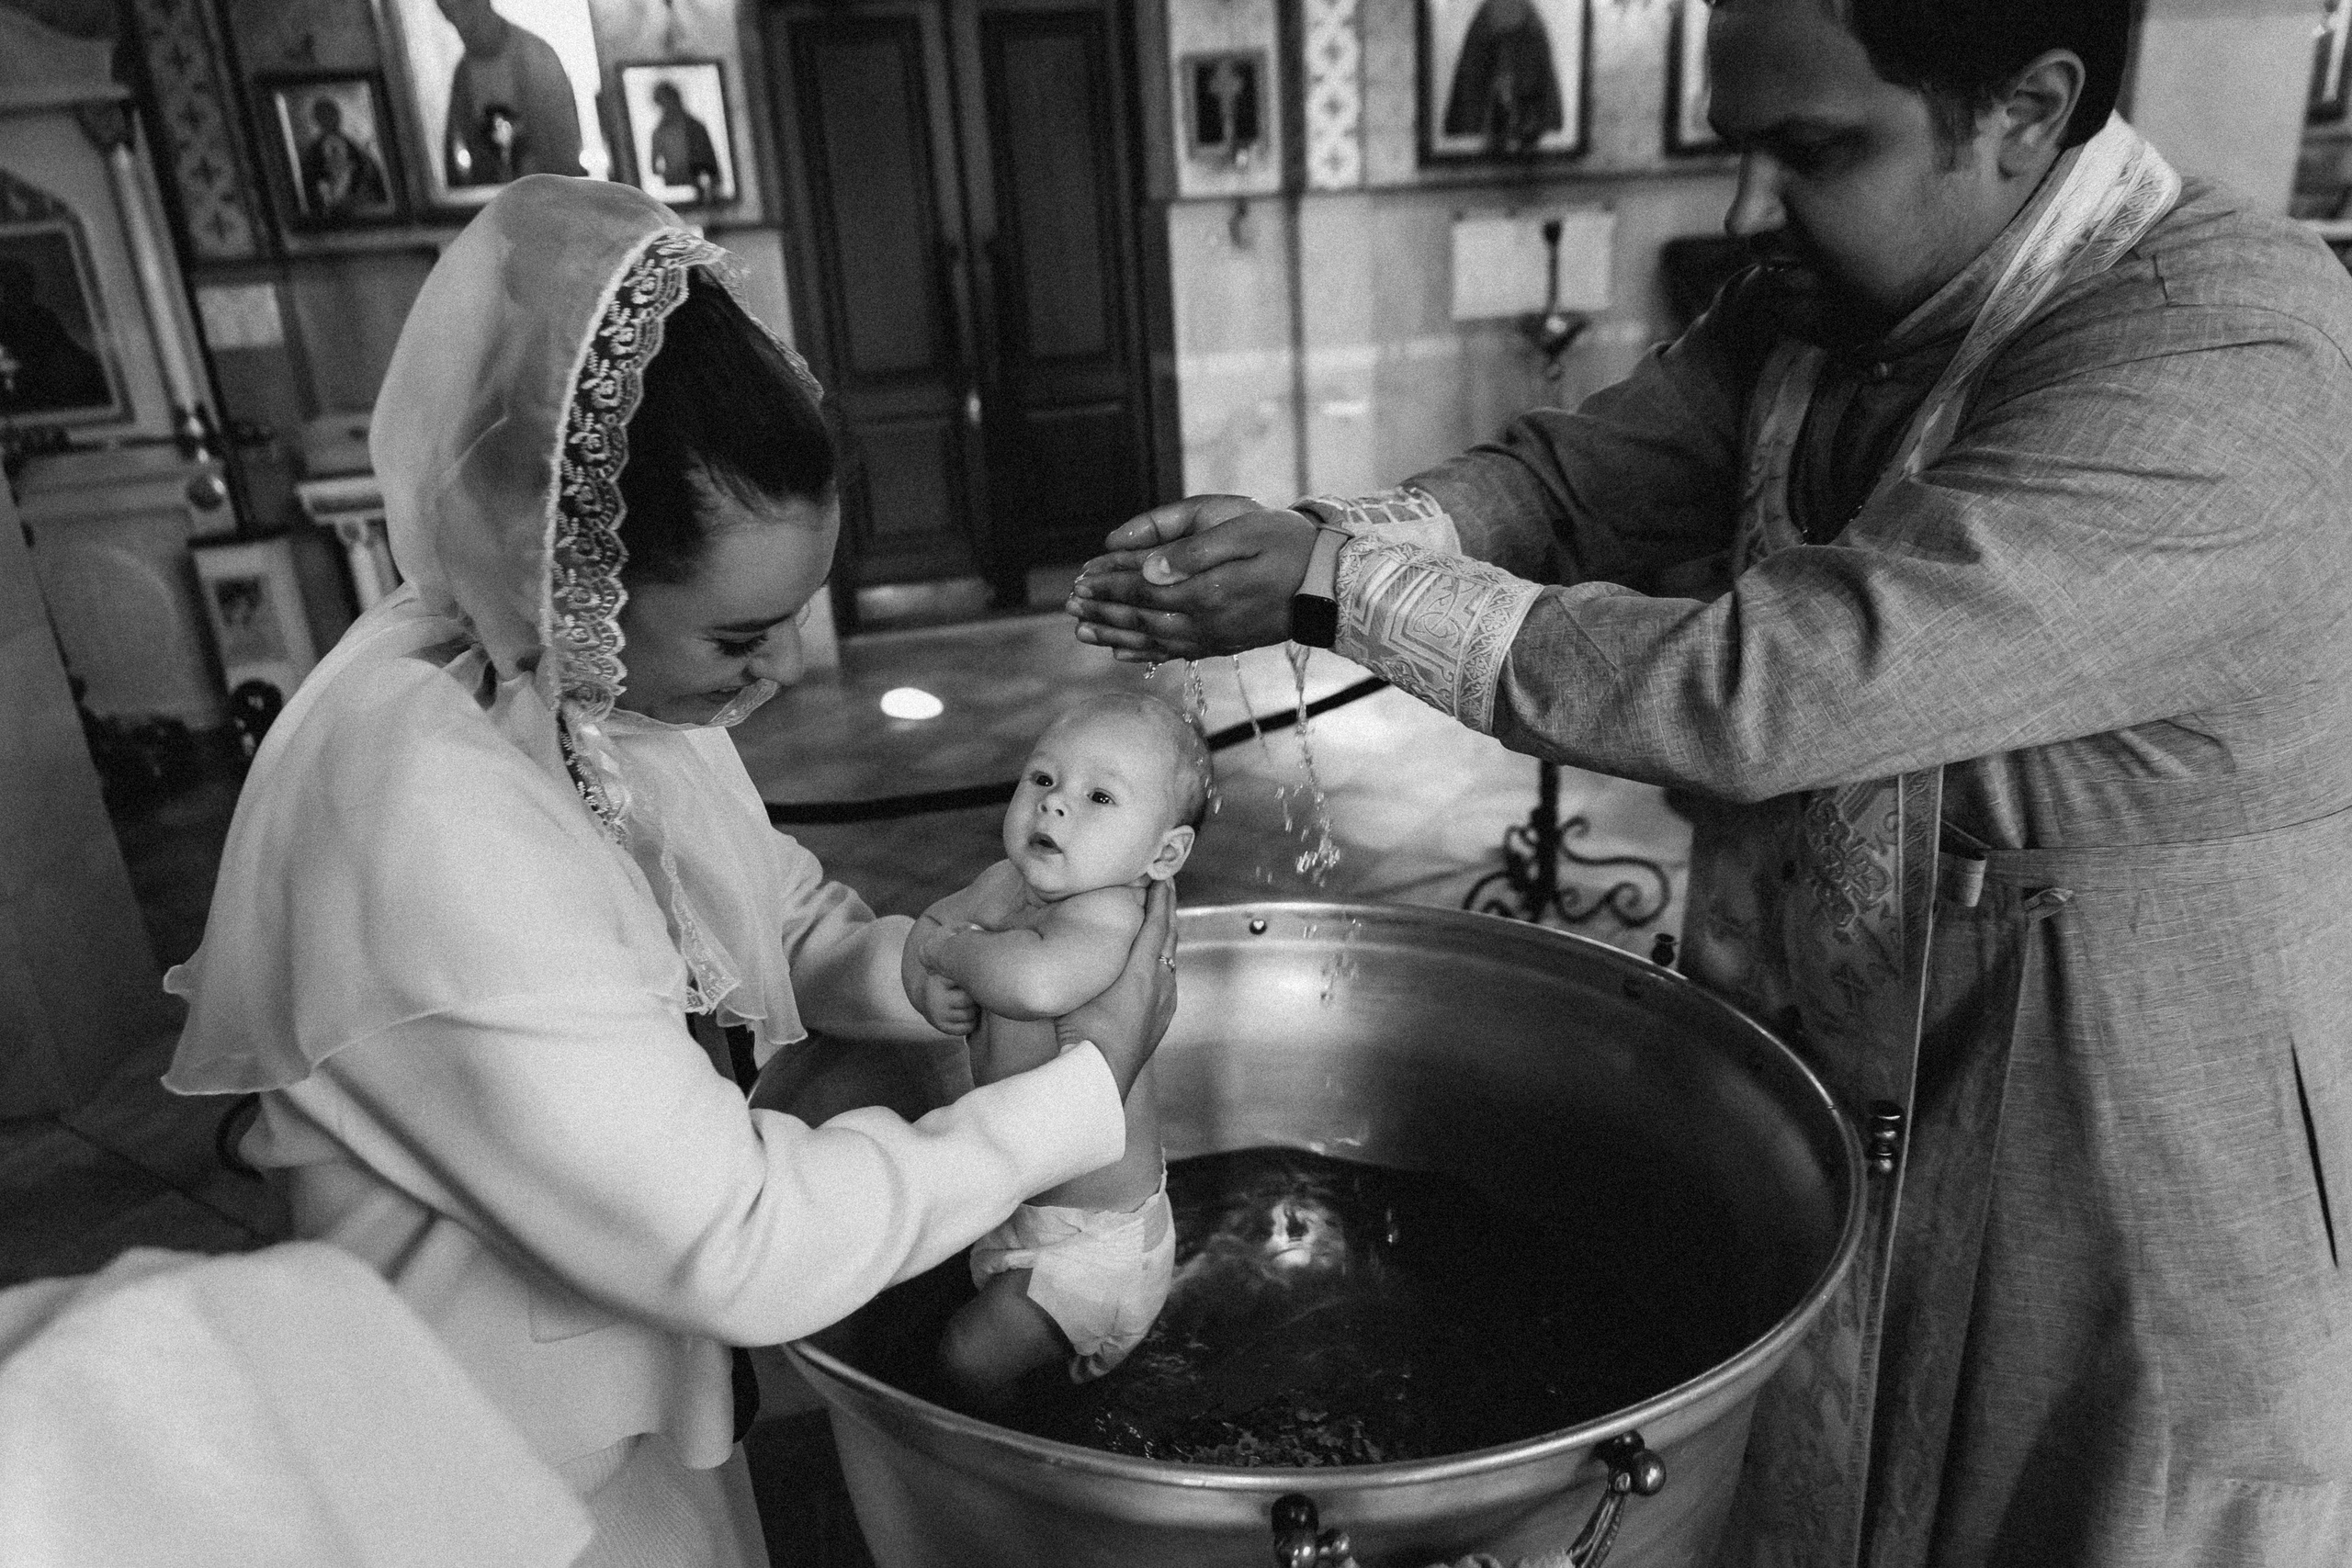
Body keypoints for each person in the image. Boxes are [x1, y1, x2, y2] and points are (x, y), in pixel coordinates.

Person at [1069, 1, 2352, 1564]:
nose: (1751, 212)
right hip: (1852, 1082)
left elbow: (1773, 687)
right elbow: (1569, 478)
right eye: (1740, 147)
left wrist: (1342, 583)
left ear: (2029, 108)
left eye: (1811, 151)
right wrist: (1329, 540)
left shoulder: (2227, 349)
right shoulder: (1824, 303)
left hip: (2114, 1175)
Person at [163, 175, 1177, 1567]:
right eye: (740, 635)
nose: (772, 677)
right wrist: (1085, 1084)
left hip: (622, 1391)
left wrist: (919, 963)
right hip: (486, 1464)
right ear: (578, 560)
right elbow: (743, 1231)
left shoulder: (593, 685)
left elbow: (765, 900)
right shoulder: (428, 816)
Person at [901, 694, 1207, 1409]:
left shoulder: (1109, 915)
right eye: (1043, 779)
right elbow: (928, 923)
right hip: (1020, 1198)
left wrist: (949, 951)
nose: (1055, 806)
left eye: (1099, 796)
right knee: (987, 1346)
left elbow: (1034, 982)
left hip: (1093, 1242)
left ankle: (1017, 1461)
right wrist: (925, 983)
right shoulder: (1007, 884)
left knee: (961, 1359)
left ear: (1162, 853)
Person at [436, 0, 582, 185]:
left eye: (465, 5)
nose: (461, 18)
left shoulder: (538, 57)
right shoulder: (463, 77)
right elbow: (457, 165)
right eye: (449, 9)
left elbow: (565, 155)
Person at [296, 96, 389, 219]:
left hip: (359, 207)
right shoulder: (312, 153)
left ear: (338, 115)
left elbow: (371, 175)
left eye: (332, 114)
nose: (330, 119)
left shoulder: (356, 148)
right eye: (324, 116)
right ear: (317, 120)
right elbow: (309, 182)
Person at [648, 79, 723, 204]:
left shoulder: (696, 127)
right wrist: (671, 173)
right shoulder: (659, 132)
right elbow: (654, 168)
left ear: (676, 100)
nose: (666, 109)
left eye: (668, 102)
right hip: (672, 193)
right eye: (662, 104)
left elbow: (712, 167)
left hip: (698, 191)